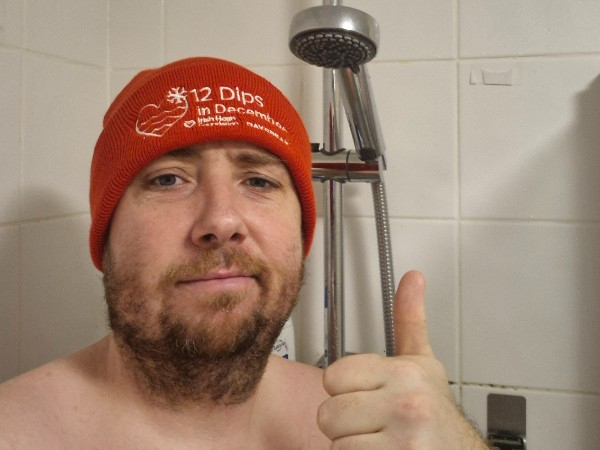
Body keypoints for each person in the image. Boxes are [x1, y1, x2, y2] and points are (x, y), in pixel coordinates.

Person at [0, 57, 489, 449]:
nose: (221, 221)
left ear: (300, 234)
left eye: (258, 181)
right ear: (106, 236)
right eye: (168, 179)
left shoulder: (366, 431)